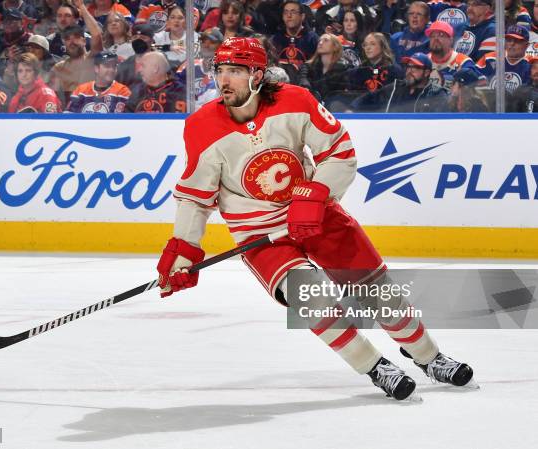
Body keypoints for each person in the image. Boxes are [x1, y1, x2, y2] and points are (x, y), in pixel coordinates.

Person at [156, 36, 475, 401]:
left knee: (379, 293)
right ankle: (374, 366)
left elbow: (339, 152)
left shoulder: (295, 101)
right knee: (313, 300)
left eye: (235, 72)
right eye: (220, 71)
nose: (224, 81)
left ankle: (429, 357)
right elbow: (196, 197)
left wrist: (315, 194)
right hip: (260, 233)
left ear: (257, 75)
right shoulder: (201, 126)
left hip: (315, 214)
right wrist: (183, 250)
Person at [352, 51, 449, 112]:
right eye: (408, 66)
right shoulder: (395, 87)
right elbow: (370, 98)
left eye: (415, 67)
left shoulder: (436, 93)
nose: (409, 71)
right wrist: (351, 109)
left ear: (427, 72)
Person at [50, 0, 103, 106]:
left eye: (76, 37)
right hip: (69, 114)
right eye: (68, 39)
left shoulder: (91, 59)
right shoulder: (59, 68)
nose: (72, 42)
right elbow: (53, 96)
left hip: (92, 111)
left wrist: (81, 6)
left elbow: (97, 34)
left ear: (84, 41)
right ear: (64, 42)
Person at [271, 0, 319, 84]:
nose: (289, 16)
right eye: (286, 12)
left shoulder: (313, 39)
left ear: (302, 16)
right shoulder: (275, 39)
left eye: (293, 12)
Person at [175, 27, 224, 108]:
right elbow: (173, 88)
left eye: (211, 42)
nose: (206, 45)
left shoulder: (227, 70)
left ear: (221, 46)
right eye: (203, 41)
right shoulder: (188, 66)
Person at [426, 20, 483, 89]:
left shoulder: (463, 62)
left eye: (441, 35)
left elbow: (481, 85)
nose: (436, 39)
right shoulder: (424, 61)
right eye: (432, 36)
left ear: (451, 40)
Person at [298, 32, 351, 104]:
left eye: (326, 40)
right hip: (312, 104)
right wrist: (305, 87)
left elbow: (346, 90)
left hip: (335, 108)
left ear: (335, 47)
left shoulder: (344, 68)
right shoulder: (308, 66)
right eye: (319, 40)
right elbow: (303, 78)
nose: (320, 43)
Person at [476, 25, 531, 92]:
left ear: (526, 45)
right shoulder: (490, 58)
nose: (512, 44)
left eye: (517, 41)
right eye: (509, 40)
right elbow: (474, 80)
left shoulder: (531, 64)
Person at [153, 5, 200, 70]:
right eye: (172, 17)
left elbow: (191, 55)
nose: (176, 20)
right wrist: (168, 47)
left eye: (180, 18)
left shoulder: (193, 36)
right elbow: (151, 47)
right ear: (167, 20)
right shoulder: (160, 36)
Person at [116, 22, 155, 92]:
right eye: (135, 37)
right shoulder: (123, 66)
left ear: (151, 41)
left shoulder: (162, 62)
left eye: (143, 37)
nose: (138, 40)